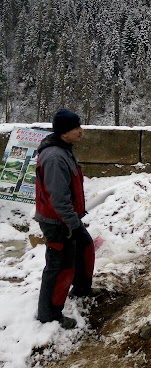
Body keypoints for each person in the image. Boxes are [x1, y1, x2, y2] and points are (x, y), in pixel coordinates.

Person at [35, 108, 98, 329]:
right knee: (59, 266)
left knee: (83, 250)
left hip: (65, 219)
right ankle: (49, 314)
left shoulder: (63, 150)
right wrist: (74, 225)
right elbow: (59, 199)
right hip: (57, 222)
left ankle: (81, 289)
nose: (81, 131)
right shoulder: (54, 157)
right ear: (63, 132)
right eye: (76, 128)